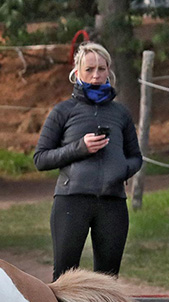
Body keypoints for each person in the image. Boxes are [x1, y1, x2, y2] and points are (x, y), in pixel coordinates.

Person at [33, 42, 142, 282]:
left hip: (112, 204)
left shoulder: (121, 113)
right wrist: (79, 148)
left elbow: (136, 158)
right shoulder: (63, 111)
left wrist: (122, 169)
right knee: (64, 277)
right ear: (77, 72)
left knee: (108, 279)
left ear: (108, 71)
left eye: (101, 69)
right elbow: (40, 159)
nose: (95, 75)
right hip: (72, 200)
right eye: (89, 69)